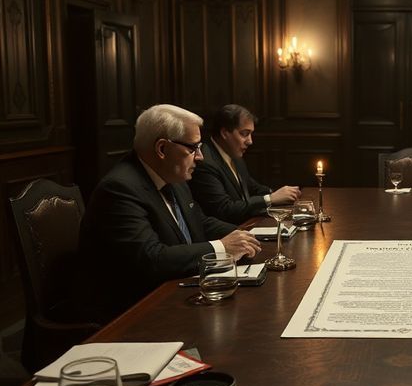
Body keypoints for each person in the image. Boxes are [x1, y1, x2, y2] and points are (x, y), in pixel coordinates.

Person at [80, 104, 262, 321]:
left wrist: (250, 237)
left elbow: (201, 223)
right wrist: (223, 248)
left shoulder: (172, 176)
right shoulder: (119, 189)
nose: (201, 157)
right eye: (193, 148)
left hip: (173, 292)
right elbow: (151, 259)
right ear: (162, 149)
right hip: (132, 313)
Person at [190, 104, 301, 224]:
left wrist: (281, 193)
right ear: (225, 133)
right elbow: (224, 209)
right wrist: (270, 199)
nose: (250, 141)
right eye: (244, 134)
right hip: (226, 234)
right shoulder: (205, 162)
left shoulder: (234, 154)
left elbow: (252, 187)